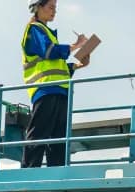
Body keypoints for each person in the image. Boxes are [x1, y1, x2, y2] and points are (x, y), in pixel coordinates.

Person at [22, 0, 89, 168]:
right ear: (38, 7)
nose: (54, 11)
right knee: (39, 134)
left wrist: (79, 65)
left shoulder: (47, 33)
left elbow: (57, 67)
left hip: (61, 91)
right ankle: (29, 172)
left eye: (55, 8)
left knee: (59, 139)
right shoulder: (34, 29)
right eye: (51, 7)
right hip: (45, 89)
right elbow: (49, 51)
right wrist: (77, 45)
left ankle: (57, 172)